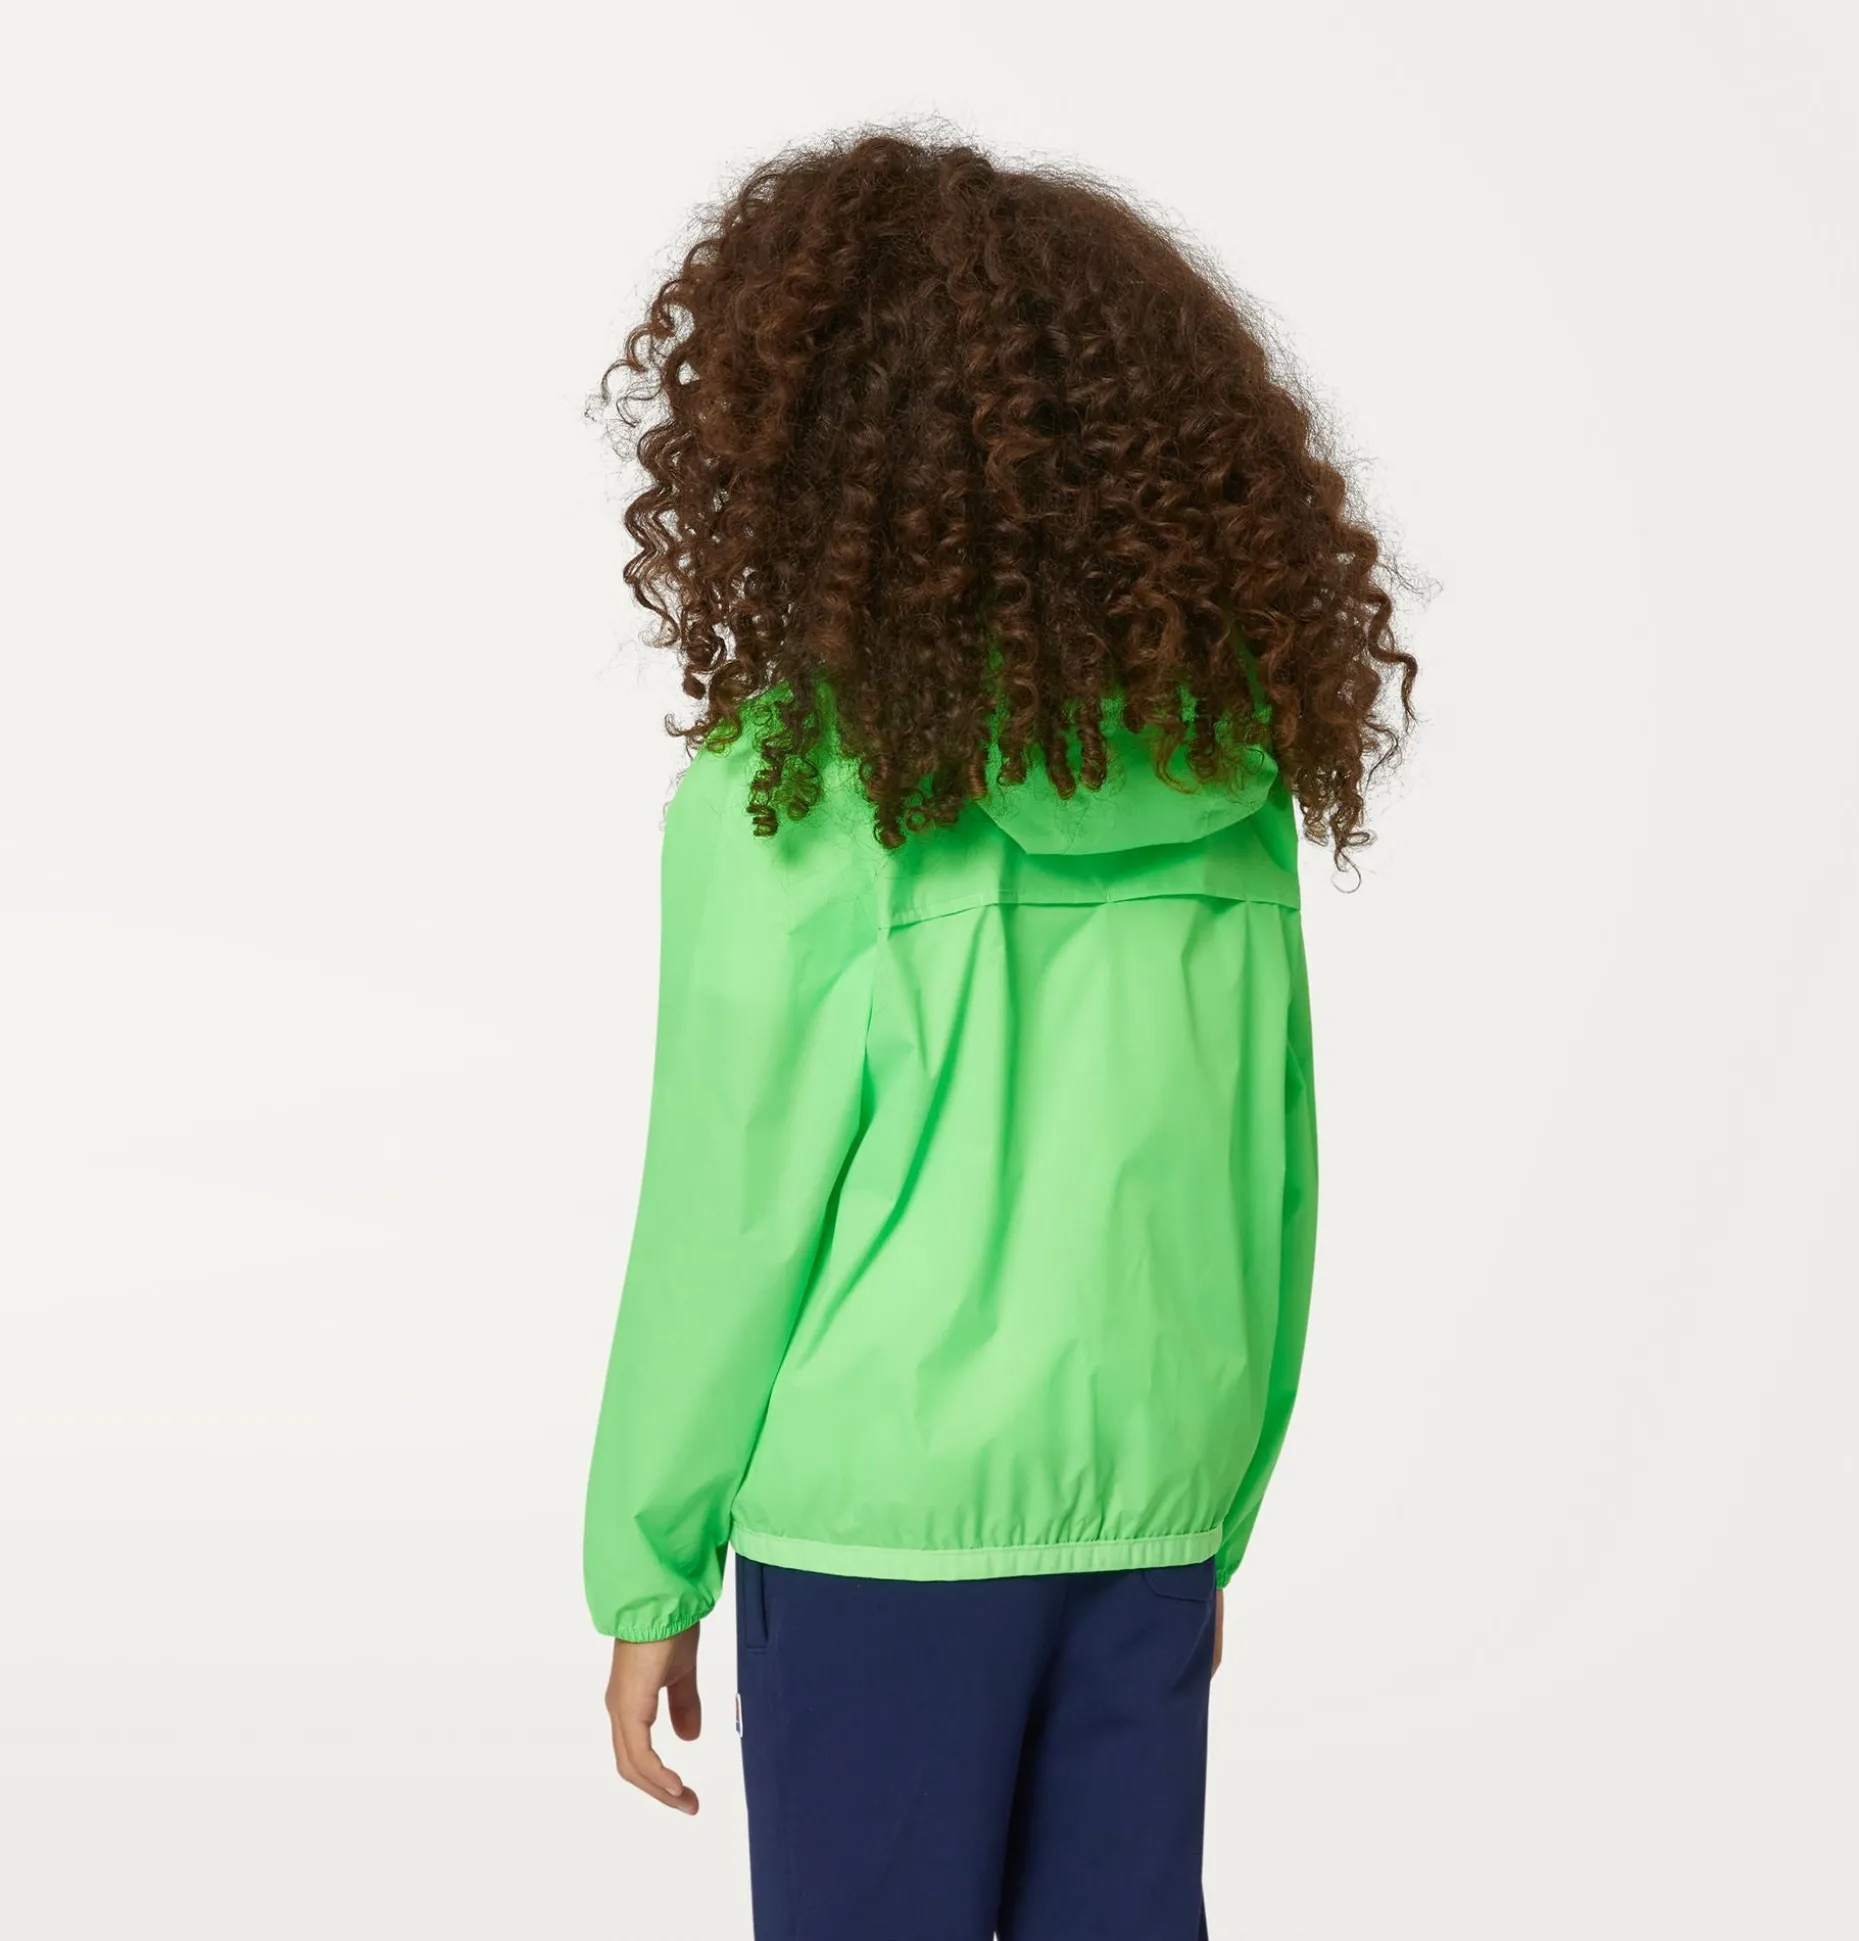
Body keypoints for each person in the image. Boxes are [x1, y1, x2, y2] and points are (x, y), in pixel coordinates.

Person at [583, 128, 1414, 1940]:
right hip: (1148, 1504)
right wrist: (1210, 1509)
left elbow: (730, 1213)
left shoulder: (793, 793)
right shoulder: (1224, 783)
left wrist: (647, 1564)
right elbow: (1272, 1175)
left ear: (807, 451)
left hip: (875, 1533)